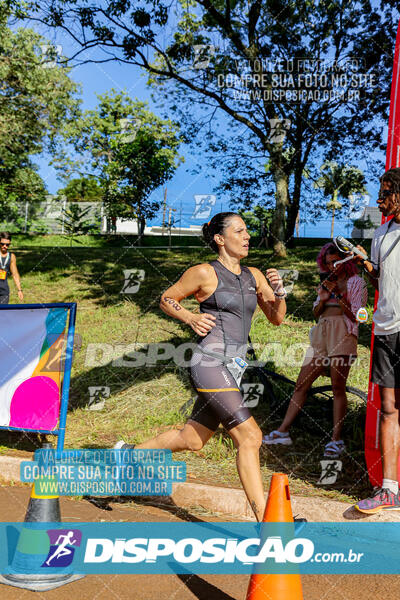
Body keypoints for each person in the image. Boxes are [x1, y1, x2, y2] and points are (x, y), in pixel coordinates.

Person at [115, 212, 286, 521]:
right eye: (240, 231)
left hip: (233, 367)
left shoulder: (255, 275)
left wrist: (281, 290)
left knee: (192, 440)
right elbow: (167, 298)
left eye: (247, 230)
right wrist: (190, 318)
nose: (247, 236)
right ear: (220, 239)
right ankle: (267, 522)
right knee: (250, 437)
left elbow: (277, 317)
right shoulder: (205, 273)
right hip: (209, 362)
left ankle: (128, 456)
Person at [263, 242, 367, 458]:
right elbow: (317, 312)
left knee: (338, 388)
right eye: (328, 263)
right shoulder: (326, 282)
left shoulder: (356, 282)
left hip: (343, 334)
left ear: (345, 260)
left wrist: (337, 295)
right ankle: (283, 431)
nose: (332, 267)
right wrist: (324, 295)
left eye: (335, 262)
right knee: (301, 384)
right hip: (321, 334)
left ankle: (336, 440)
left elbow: (357, 315)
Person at [354, 168, 400, 513]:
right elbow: (382, 279)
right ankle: (389, 489)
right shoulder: (381, 232)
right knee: (389, 409)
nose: (379, 198)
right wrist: (365, 266)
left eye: (386, 192)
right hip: (385, 327)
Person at [0, 232, 24, 304]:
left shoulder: (11, 256)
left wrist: (19, 290)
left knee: (2, 313)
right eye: (2, 244)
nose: (5, 246)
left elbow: (15, 274)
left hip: (4, 291)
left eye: (7, 245)